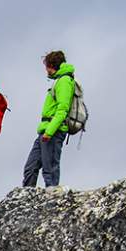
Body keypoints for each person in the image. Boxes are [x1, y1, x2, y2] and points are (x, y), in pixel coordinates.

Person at [22, 51, 77, 188]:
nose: (46, 70)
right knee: (30, 167)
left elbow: (62, 109)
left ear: (52, 65)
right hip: (45, 130)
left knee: (50, 170)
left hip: (53, 131)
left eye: (47, 66)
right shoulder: (59, 81)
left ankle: (52, 201)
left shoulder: (64, 81)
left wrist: (50, 131)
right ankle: (27, 198)